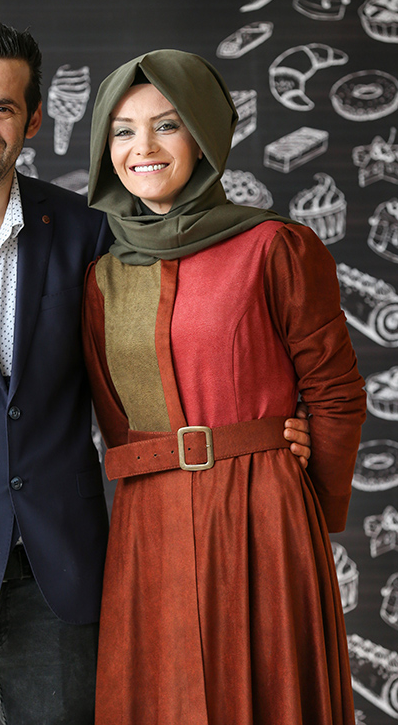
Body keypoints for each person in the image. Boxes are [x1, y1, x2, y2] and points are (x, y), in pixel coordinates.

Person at [0, 19, 311, 725]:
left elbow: (171, 343)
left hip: (64, 581)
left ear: (34, 118)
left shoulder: (88, 230)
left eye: (3, 107)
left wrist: (263, 429)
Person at [82, 49, 366, 725]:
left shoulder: (276, 247)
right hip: (147, 526)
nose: (143, 147)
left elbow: (335, 394)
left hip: (262, 517)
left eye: (167, 125)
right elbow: (115, 423)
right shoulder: (101, 277)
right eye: (122, 131)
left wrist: (305, 503)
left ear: (205, 133)